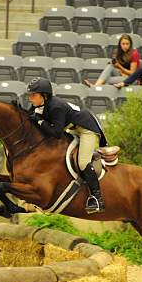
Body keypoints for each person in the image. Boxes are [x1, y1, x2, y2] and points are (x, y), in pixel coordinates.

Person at [26, 77, 107, 214]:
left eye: (33, 95)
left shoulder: (56, 106)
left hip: (86, 129)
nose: (30, 98)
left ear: (44, 96)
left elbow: (56, 133)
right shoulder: (38, 104)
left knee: (82, 163)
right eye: (29, 95)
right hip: (71, 127)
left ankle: (97, 198)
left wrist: (39, 121)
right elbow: (29, 117)